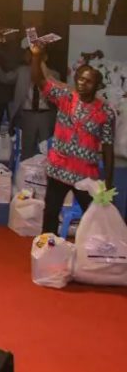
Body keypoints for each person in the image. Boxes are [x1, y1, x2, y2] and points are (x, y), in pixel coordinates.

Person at [29, 44, 116, 235]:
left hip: (85, 175)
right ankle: (46, 252)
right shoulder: (66, 97)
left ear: (98, 86)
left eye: (88, 81)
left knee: (93, 215)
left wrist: (109, 180)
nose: (82, 83)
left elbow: (108, 147)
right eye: (80, 79)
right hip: (58, 170)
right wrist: (36, 57)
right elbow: (39, 80)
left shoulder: (106, 112)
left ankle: (90, 253)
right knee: (50, 213)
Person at [0, 44, 57, 160]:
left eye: (37, 55)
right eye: (31, 55)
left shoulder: (53, 75)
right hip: (27, 114)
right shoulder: (22, 71)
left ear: (45, 57)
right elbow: (5, 78)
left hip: (45, 115)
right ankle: (25, 173)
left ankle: (45, 175)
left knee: (46, 150)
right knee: (27, 149)